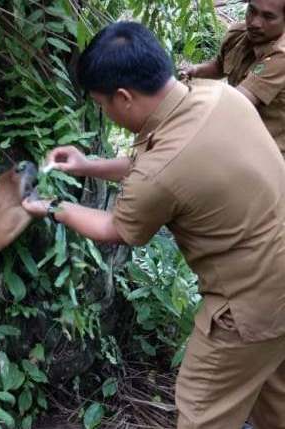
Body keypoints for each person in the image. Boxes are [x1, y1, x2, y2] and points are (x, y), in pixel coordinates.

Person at [22, 21, 285, 429]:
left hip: (253, 305)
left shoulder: (162, 169)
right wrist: (88, 165)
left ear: (124, 97)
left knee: (202, 413)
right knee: (273, 390)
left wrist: (52, 205)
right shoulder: (218, 96)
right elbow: (165, 166)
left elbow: (117, 227)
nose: (104, 112)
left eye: (101, 103)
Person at [180, 0, 285, 157]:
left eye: (268, 17)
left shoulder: (281, 56)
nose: (255, 22)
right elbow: (219, 65)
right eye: (252, 10)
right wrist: (195, 71)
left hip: (270, 152)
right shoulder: (239, 35)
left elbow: (237, 102)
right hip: (239, 136)